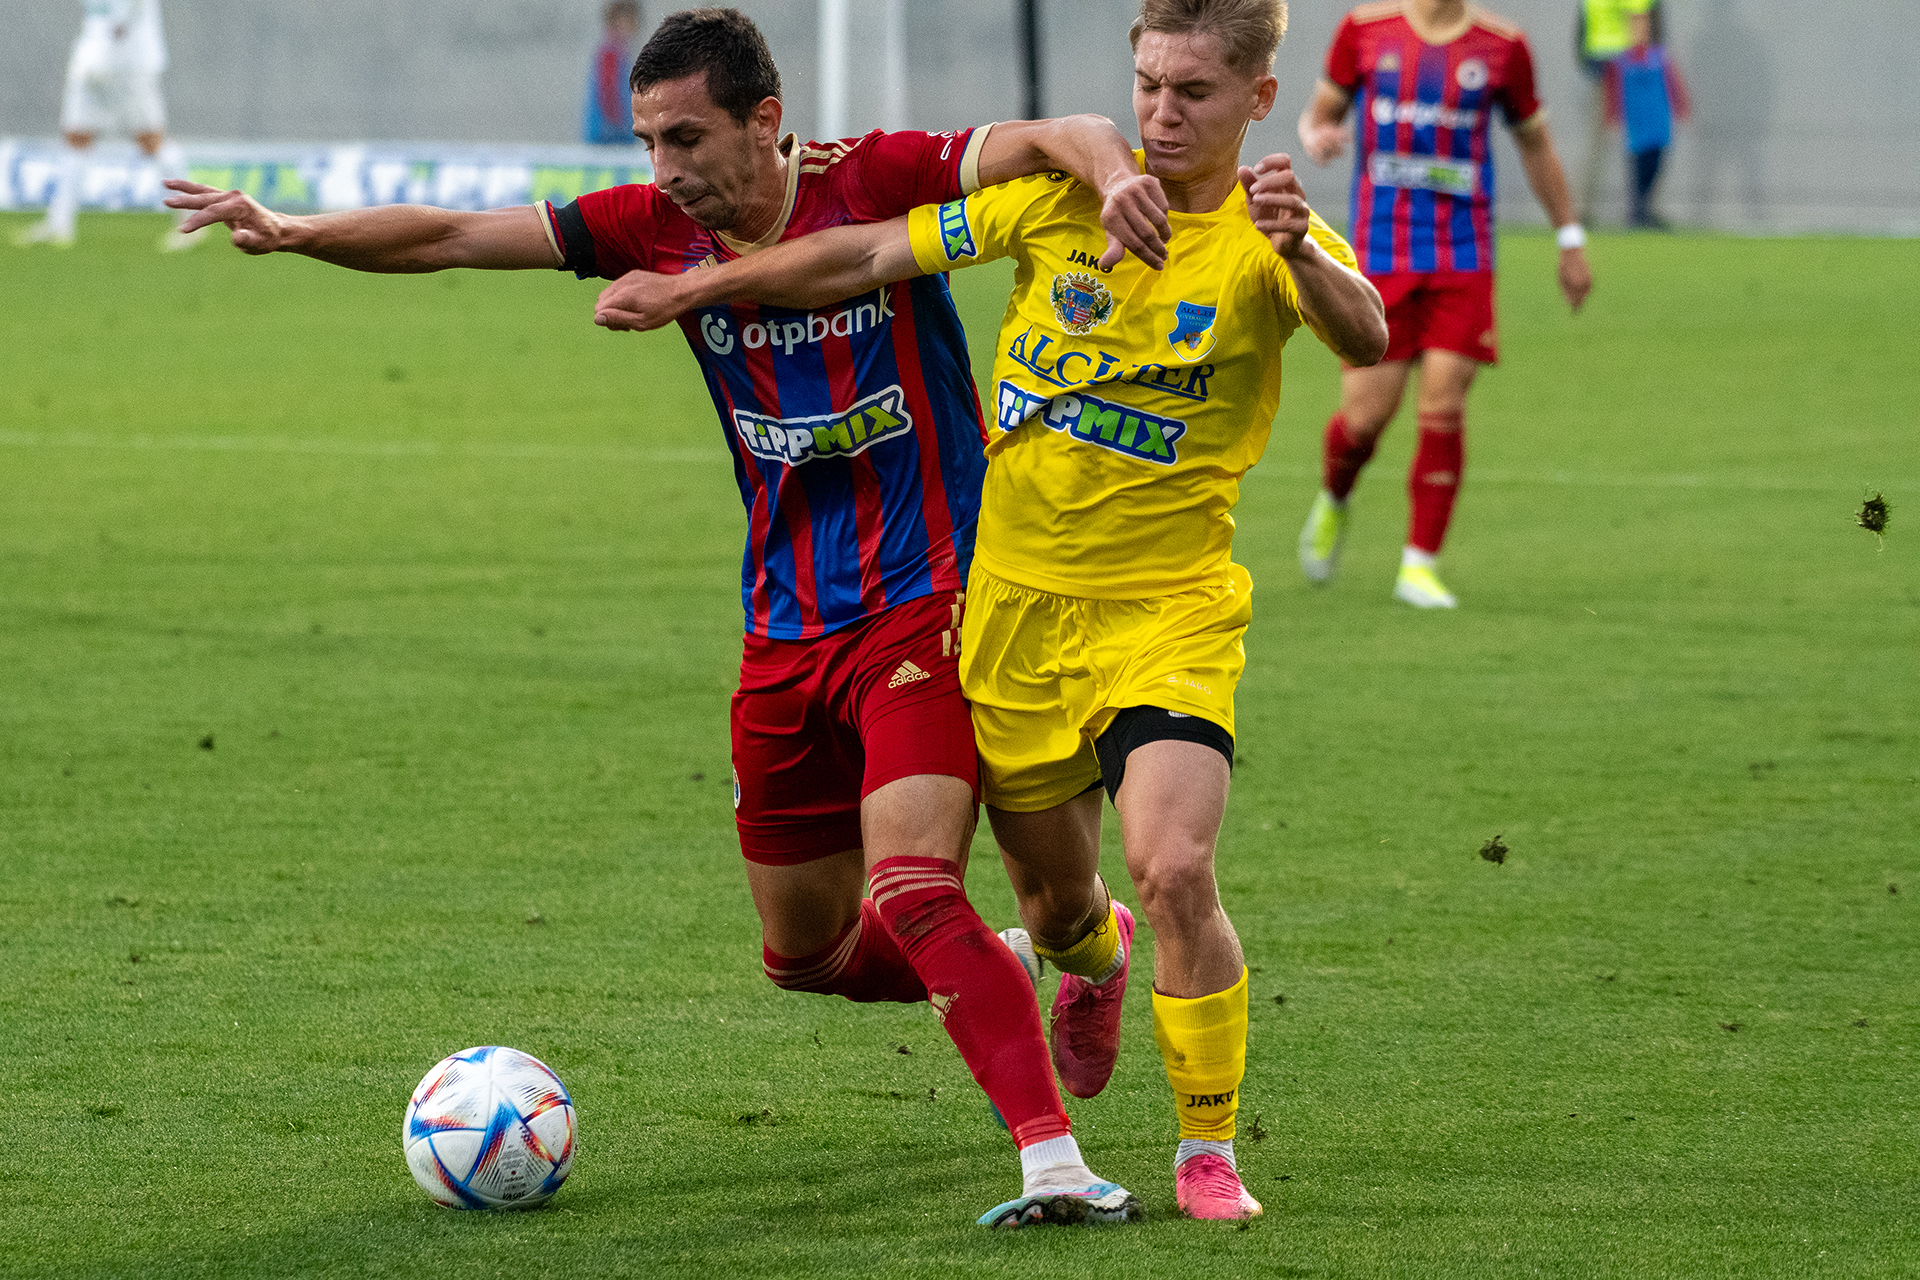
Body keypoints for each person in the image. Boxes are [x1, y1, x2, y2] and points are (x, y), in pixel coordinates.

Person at [166, 6, 1174, 1230]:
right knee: (806, 952)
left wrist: (1118, 175)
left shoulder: (877, 178)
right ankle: (1018, 958)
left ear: (765, 119)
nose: (664, 168)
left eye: (686, 137)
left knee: (913, 884)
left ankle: (1055, 1164)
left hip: (929, 603)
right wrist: (293, 230)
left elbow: (1066, 130)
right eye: (649, 142)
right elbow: (451, 235)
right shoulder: (649, 224)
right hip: (783, 626)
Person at [590, 0, 1388, 1220]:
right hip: (1014, 614)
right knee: (1058, 910)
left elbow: (1366, 329)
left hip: (1167, 611)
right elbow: (866, 257)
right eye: (1150, 86)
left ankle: (1206, 1147)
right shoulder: (1053, 206)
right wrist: (703, 289)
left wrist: (1303, 253)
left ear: (1258, 99)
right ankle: (1093, 961)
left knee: (1175, 864)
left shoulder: (1267, 232)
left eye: (1194, 93)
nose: (1163, 113)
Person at [1293, 0, 1593, 608]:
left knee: (1443, 402)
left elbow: (1536, 144)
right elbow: (1318, 115)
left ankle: (1419, 566)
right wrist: (1319, 135)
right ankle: (1335, 496)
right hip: (1382, 254)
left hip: (1463, 254)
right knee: (1364, 420)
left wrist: (1569, 237)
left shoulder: (1502, 46)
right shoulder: (1364, 31)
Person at [15, 0, 197, 251]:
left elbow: (123, 18)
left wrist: (104, 48)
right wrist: (90, 52)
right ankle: (59, 224)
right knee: (76, 137)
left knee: (151, 142)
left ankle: (191, 223)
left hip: (130, 65)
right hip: (90, 60)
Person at [1574, 0, 1654, 223]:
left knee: (1597, 142)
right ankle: (1640, 210)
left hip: (1598, 62)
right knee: (1641, 137)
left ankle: (1583, 210)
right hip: (1626, 65)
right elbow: (1639, 21)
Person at [585, 1, 643, 146]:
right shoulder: (610, 51)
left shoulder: (621, 51)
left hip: (618, 130)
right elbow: (607, 87)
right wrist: (616, 121)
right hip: (608, 132)